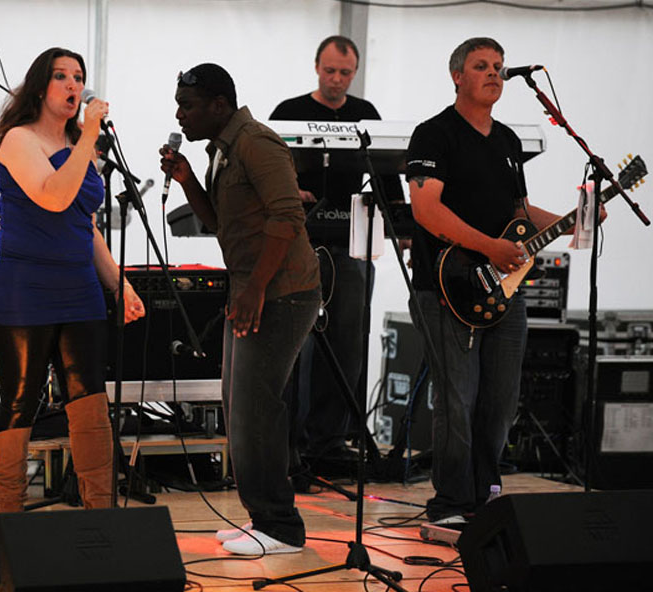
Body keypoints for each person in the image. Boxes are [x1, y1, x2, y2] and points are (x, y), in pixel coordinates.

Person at [405, 37, 593, 527]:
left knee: (500, 401)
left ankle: (485, 495)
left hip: (502, 292)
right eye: (481, 66)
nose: (494, 73)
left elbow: (518, 212)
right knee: (457, 400)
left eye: (499, 67)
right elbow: (425, 210)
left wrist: (572, 221)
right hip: (447, 287)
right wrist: (489, 247)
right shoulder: (433, 135)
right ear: (457, 77)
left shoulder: (508, 142)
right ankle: (449, 505)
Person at [160, 63, 320, 555]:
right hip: (252, 289)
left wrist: (254, 290)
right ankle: (262, 519)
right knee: (239, 407)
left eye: (187, 106)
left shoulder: (256, 142)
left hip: (282, 293)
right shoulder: (223, 150)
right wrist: (188, 180)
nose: (179, 115)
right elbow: (220, 223)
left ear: (218, 105)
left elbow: (288, 215)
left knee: (257, 408)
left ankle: (281, 528)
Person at [0, 47, 145, 512]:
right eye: (61, 76)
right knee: (20, 401)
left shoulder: (80, 145)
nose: (73, 85)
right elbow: (54, 197)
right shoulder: (18, 139)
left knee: (90, 401)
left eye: (79, 76)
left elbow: (84, 221)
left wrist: (119, 284)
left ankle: (101, 511)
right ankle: (8, 515)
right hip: (25, 286)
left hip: (79, 286)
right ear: (40, 86)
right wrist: (87, 138)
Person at [270, 35, 406, 477]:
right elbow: (268, 169)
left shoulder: (365, 115)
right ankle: (285, 442)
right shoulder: (289, 112)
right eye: (330, 70)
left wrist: (399, 227)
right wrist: (292, 191)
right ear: (316, 66)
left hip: (350, 237)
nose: (336, 79)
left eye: (345, 73)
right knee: (295, 335)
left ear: (355, 72)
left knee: (348, 335)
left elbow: (387, 174)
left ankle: (329, 439)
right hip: (298, 236)